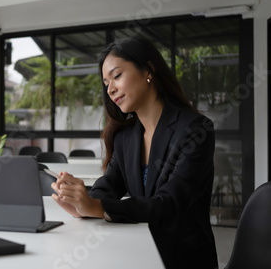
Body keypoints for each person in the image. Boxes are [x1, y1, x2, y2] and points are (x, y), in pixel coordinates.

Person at [51, 37, 218, 269]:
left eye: (117, 76)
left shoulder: (195, 129)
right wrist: (81, 203)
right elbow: (110, 185)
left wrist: (97, 207)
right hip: (137, 250)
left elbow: (169, 206)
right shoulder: (126, 136)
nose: (110, 89)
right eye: (106, 82)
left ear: (148, 70)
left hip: (181, 257)